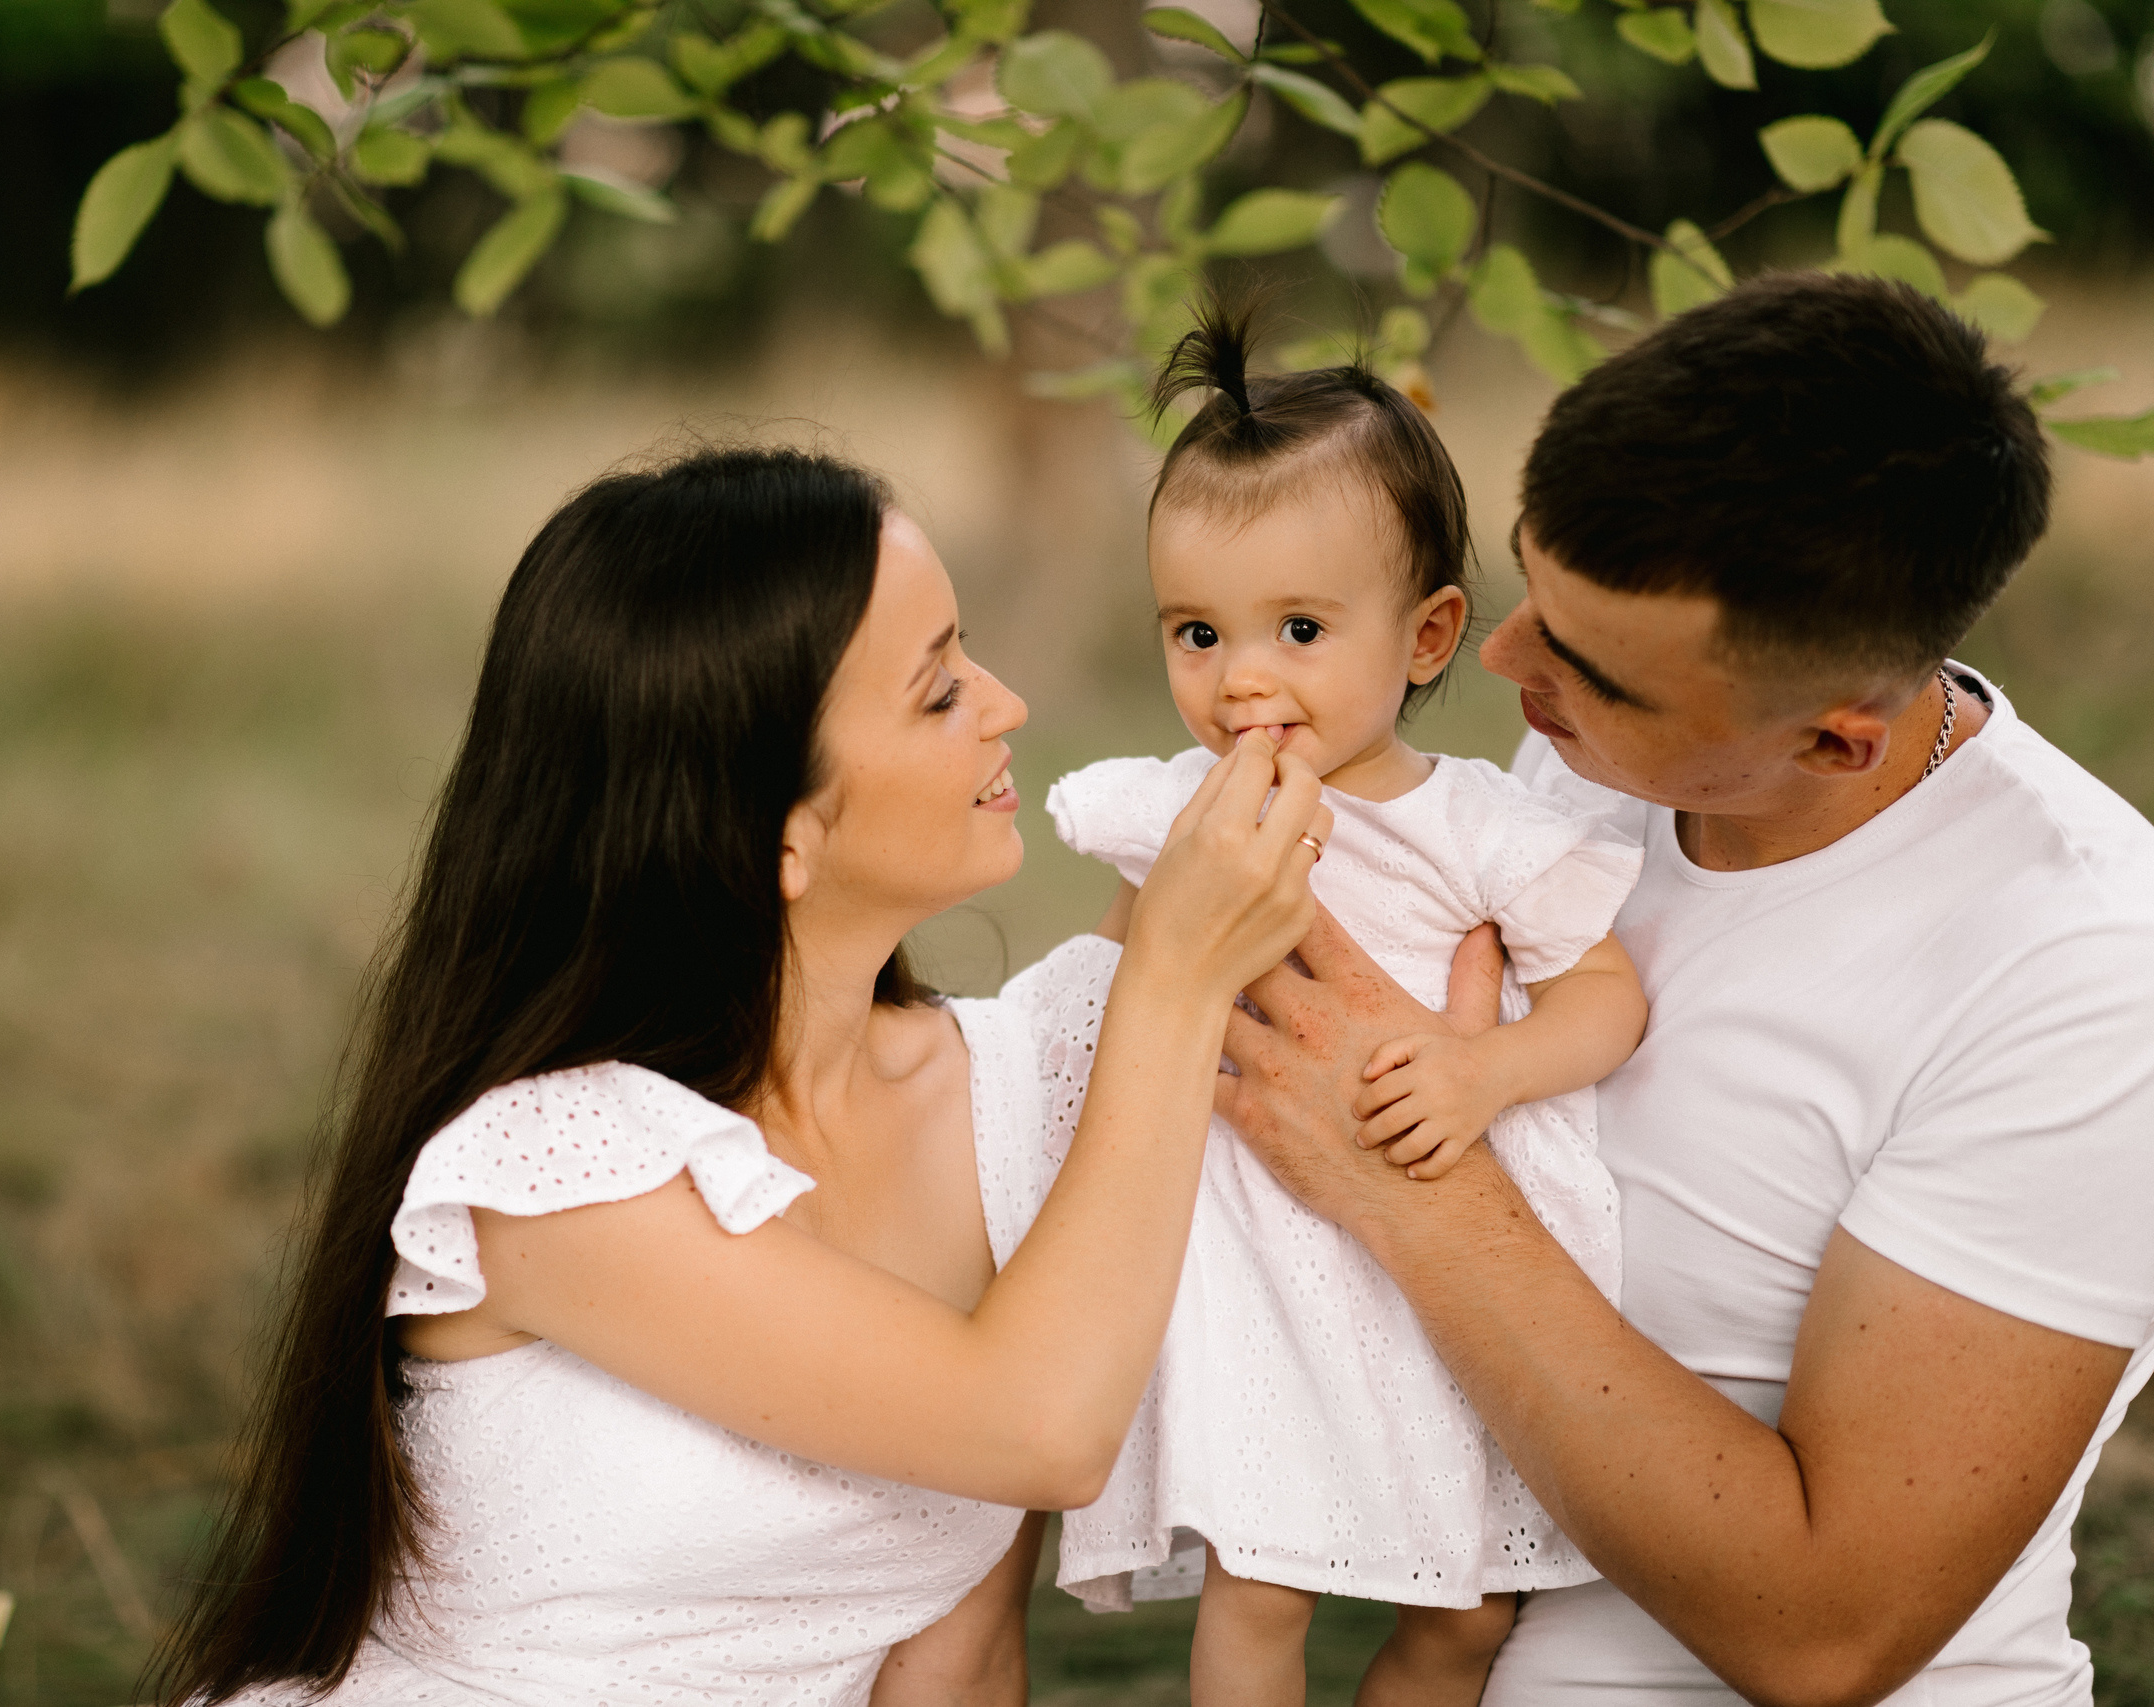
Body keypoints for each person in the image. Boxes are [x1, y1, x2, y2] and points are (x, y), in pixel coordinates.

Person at [142, 445, 1339, 1707]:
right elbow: (1040, 1428)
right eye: (936, 693)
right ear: (776, 838)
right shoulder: (552, 1169)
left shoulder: (998, 1100)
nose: (1005, 703)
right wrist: (1171, 984)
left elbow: (962, 1652)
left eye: (964, 652)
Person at [1213, 272, 2154, 1706]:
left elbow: (1824, 1629)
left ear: (1838, 742)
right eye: (1533, 582)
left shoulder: (2085, 970)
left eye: (1586, 667)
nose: (1500, 657)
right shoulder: (1588, 769)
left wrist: (1411, 1186)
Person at [1041, 304, 1650, 1707]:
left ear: (1430, 632)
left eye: (1299, 627)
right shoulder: (1184, 812)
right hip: (1261, 1257)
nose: (1241, 676)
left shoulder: (1479, 830)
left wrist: (1485, 1067)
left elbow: (1607, 997)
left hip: (1444, 1260)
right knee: (1264, 1575)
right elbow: (1100, 990)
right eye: (1198, 631)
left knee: (1475, 1600)